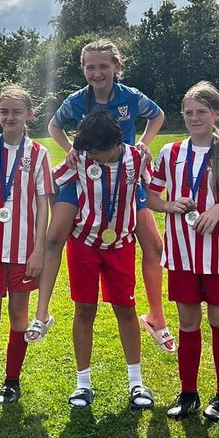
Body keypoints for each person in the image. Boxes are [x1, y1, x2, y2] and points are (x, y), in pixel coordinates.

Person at [48, 39, 173, 354]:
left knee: (154, 245)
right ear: (83, 69)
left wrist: (144, 142)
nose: (97, 72)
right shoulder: (77, 100)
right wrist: (71, 151)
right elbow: (54, 126)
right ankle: (41, 312)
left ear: (117, 67)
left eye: (104, 65)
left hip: (126, 178)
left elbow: (157, 116)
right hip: (84, 178)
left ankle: (156, 317)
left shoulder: (130, 97)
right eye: (90, 66)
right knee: (54, 238)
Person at [35, 110, 154, 409]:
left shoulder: (137, 159)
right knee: (85, 310)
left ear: (116, 143)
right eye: (89, 152)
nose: (94, 158)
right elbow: (53, 182)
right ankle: (83, 384)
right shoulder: (82, 159)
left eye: (98, 152)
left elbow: (149, 191)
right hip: (84, 244)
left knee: (126, 310)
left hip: (121, 245)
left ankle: (136, 383)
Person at [146, 81, 219, 422]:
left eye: (201, 112)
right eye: (188, 112)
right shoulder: (170, 152)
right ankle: (188, 392)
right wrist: (169, 204)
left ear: (216, 113)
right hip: (180, 256)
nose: (194, 118)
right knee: (188, 324)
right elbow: (151, 197)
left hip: (217, 256)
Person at [0, 85, 53, 404]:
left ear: (29, 115)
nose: (10, 116)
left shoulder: (39, 154)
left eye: (17, 111)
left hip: (23, 252)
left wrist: (39, 249)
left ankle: (11, 381)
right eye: (5, 111)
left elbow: (44, 204)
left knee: (19, 317)